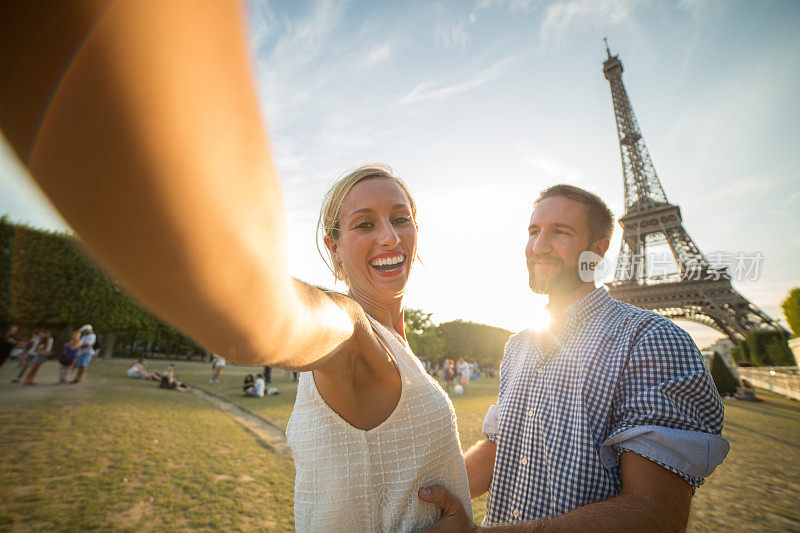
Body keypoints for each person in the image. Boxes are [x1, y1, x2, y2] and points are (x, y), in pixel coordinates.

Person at [0, 10, 470, 531]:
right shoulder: (347, 329)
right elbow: (263, 314)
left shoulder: (395, 345)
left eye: (400, 218)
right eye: (364, 223)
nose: (389, 235)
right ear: (331, 247)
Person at [419, 184, 730, 531]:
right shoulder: (519, 345)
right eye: (534, 231)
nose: (539, 246)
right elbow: (501, 446)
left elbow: (653, 515)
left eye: (560, 232)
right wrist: (418, 498)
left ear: (596, 252)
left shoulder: (651, 340)